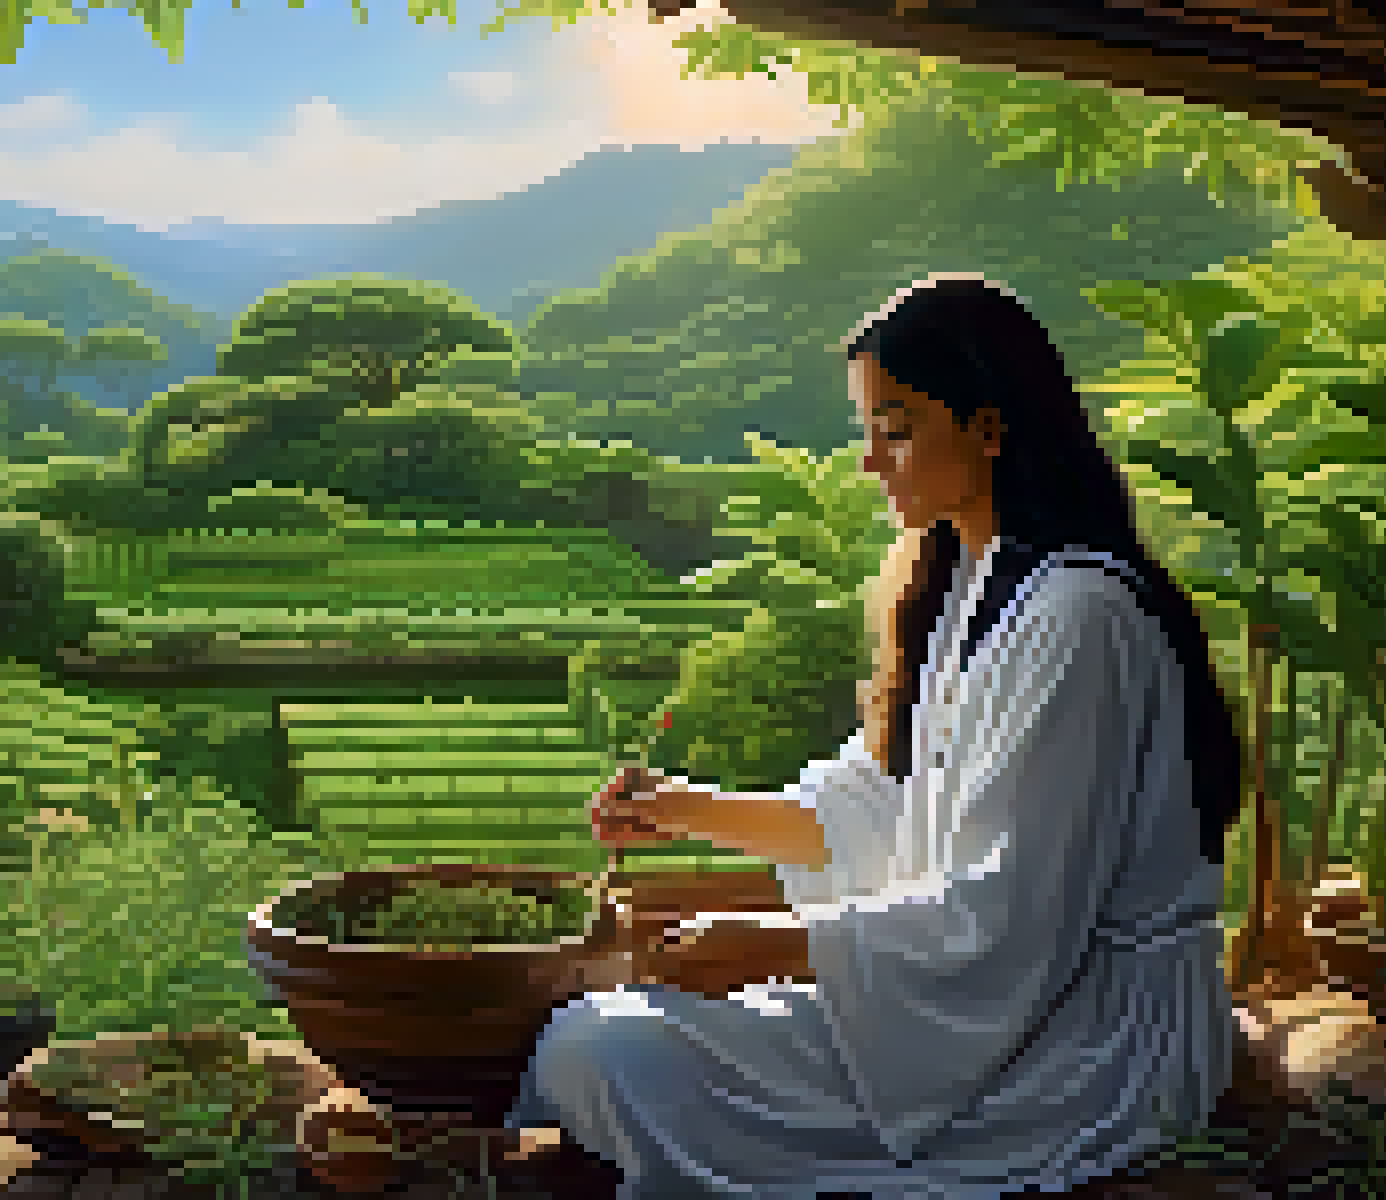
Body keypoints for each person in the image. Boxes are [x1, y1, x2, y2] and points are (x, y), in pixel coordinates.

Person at [499, 273, 1247, 1198]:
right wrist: (679, 811)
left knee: (607, 1049)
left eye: (895, 430)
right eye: (869, 432)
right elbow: (876, 814)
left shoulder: (1078, 616)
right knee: (597, 1043)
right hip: (972, 1017)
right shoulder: (965, 588)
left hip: (1084, 1040)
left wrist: (776, 944)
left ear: (989, 427)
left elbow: (1011, 914)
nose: (870, 462)